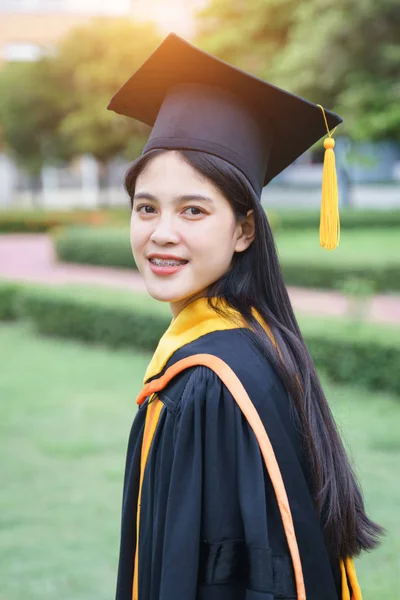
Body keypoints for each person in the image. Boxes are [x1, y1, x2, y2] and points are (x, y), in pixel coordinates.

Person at [108, 33, 383, 600]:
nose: (162, 233)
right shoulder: (259, 341)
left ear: (243, 229)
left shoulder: (210, 383)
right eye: (146, 208)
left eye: (193, 210)